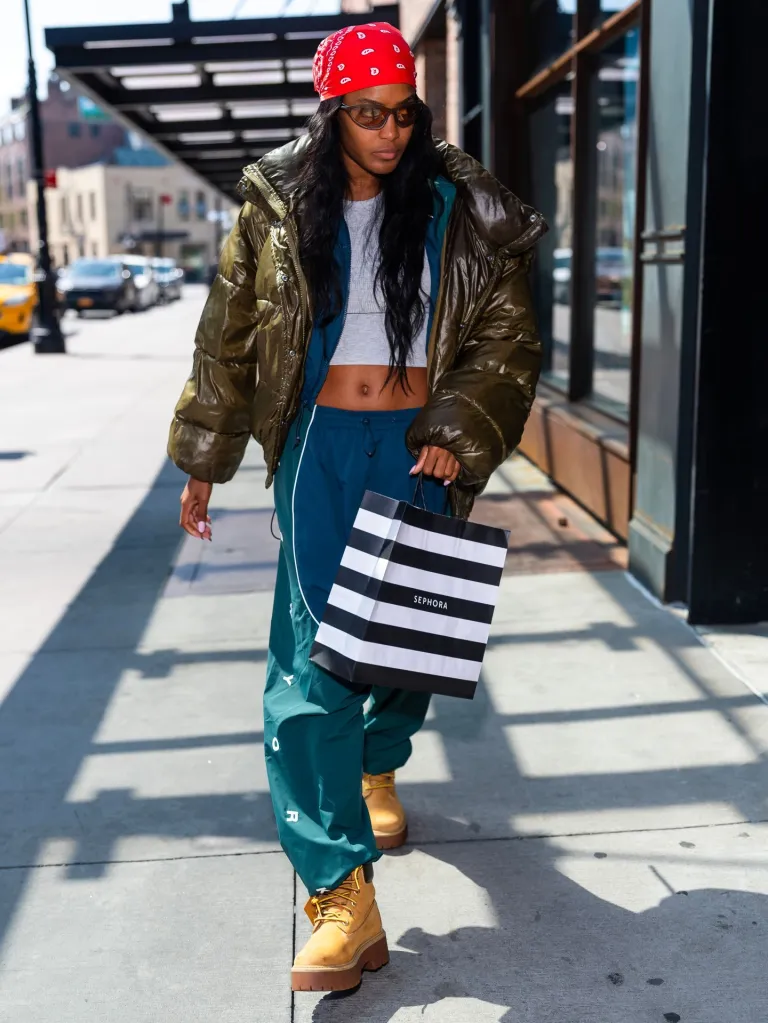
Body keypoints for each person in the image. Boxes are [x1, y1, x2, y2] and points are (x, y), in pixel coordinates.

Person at [168, 21, 546, 994]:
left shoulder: (463, 205)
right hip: (319, 445)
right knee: (311, 664)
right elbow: (231, 330)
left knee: (411, 631)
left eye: (402, 113)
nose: (388, 132)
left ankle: (379, 761)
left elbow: (507, 335)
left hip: (418, 442)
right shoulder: (280, 202)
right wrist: (203, 457)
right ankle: (342, 894)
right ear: (333, 113)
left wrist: (456, 427)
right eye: (368, 114)